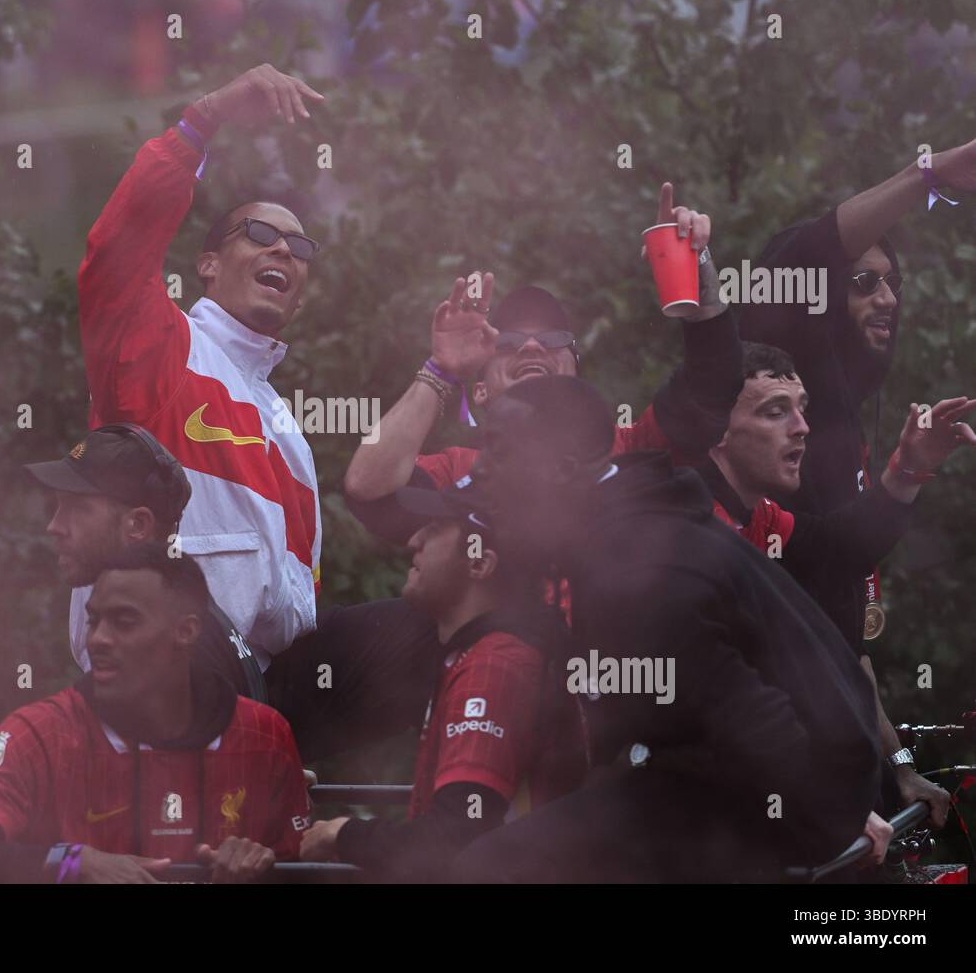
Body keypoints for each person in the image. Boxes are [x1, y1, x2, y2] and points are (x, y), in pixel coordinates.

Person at [269, 184, 742, 762]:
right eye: (511, 342)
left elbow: (712, 384)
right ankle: (259, 770)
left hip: (614, 681)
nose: (532, 348)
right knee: (350, 640)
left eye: (554, 342)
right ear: (483, 388)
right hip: (492, 680)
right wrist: (441, 369)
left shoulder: (629, 448)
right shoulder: (465, 469)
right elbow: (371, 490)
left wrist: (699, 275)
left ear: (577, 373)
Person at [455, 377, 884, 882]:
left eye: (499, 452)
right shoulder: (629, 529)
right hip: (716, 784)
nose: (479, 469)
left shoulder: (638, 574)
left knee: (480, 872)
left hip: (768, 808)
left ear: (561, 471)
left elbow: (759, 724)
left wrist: (837, 819)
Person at [74, 63, 325, 672]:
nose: (282, 250)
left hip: (262, 670)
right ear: (208, 265)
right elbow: (118, 251)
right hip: (164, 664)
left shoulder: (283, 423)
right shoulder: (165, 345)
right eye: (260, 232)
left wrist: (441, 375)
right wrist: (202, 121)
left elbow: (297, 594)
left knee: (419, 636)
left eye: (299, 247)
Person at [696, 341, 973, 828]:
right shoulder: (692, 530)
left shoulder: (757, 516)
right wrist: (824, 802)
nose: (802, 427)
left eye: (802, 410)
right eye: (775, 411)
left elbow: (839, 549)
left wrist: (908, 468)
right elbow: (724, 703)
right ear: (716, 430)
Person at [0, 544, 311, 884]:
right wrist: (72, 863)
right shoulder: (37, 733)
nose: (99, 639)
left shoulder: (265, 734)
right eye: (94, 620)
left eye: (124, 622)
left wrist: (257, 868)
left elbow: (308, 868)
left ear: (186, 632)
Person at [299, 481, 583, 880]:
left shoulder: (496, 667)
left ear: (479, 564)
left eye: (435, 529)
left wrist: (342, 833)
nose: (414, 540)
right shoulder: (484, 655)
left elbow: (451, 840)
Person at [25, 423, 264, 699]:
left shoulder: (164, 654)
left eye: (78, 508)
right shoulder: (180, 623)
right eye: (58, 506)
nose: (54, 526)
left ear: (138, 525)